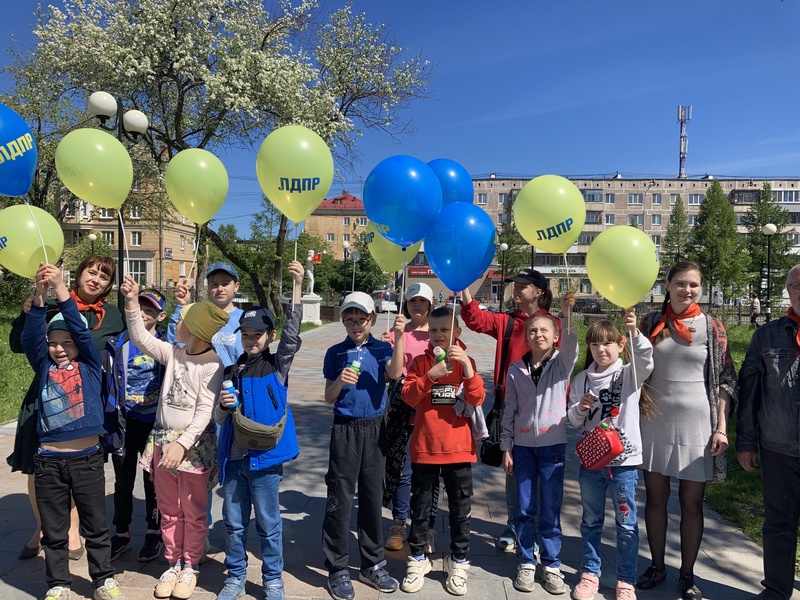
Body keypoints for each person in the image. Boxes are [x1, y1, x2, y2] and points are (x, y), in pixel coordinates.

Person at [21, 263, 127, 600]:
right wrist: (40, 294)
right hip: (49, 463)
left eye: (68, 341)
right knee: (54, 531)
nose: (60, 347)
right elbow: (31, 336)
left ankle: (103, 579)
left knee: (96, 526)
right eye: (54, 342)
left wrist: (62, 289)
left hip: (87, 462)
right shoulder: (44, 365)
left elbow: (81, 332)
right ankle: (58, 584)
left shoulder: (90, 365)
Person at [122, 275, 228, 600]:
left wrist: (182, 444)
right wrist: (130, 301)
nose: (176, 323)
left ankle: (191, 565)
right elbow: (140, 337)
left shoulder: (212, 364)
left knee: (193, 511)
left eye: (181, 320)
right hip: (161, 441)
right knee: (169, 509)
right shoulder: (173, 353)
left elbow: (203, 412)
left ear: (195, 330)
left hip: (193, 446)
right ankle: (172, 562)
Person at [637, 261, 737, 600]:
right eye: (681, 283)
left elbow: (725, 380)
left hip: (698, 425)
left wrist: (721, 428)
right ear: (667, 284)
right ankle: (657, 565)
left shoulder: (712, 326)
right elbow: (634, 366)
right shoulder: (652, 321)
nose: (687, 290)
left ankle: (688, 574)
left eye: (694, 284)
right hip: (654, 421)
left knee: (692, 503)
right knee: (655, 498)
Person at [214, 260, 304, 600]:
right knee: (234, 524)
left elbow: (293, 335)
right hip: (235, 460)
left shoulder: (277, 366)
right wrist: (223, 406)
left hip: (265, 459)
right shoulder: (231, 369)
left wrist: (296, 288)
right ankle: (235, 577)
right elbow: (221, 417)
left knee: (269, 524)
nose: (251, 340)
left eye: (258, 335)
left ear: (269, 336)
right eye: (246, 335)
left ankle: (272, 580)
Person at [460, 267, 557, 551]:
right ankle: (515, 524)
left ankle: (540, 528)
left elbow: (565, 360)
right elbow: (475, 319)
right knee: (513, 467)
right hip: (510, 405)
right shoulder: (509, 322)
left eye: (523, 285)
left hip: (545, 407)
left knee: (544, 470)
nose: (516, 290)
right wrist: (463, 284)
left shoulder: (554, 324)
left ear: (538, 292)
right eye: (515, 285)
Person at [322, 292, 404, 600]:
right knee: (339, 498)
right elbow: (328, 397)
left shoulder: (382, 348)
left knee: (372, 496)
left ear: (371, 319)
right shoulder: (335, 352)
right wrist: (340, 382)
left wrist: (399, 338)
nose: (356, 325)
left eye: (362, 319)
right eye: (350, 319)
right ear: (343, 320)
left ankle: (372, 563)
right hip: (345, 429)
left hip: (375, 429)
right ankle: (337, 567)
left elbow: (395, 374)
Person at [567, 312, 654, 600]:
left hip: (624, 464)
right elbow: (574, 421)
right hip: (592, 464)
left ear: (619, 345)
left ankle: (625, 580)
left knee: (626, 524)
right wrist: (580, 407)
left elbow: (646, 360)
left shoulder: (629, 374)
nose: (601, 350)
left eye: (607, 344)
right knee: (591, 520)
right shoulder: (582, 379)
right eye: (594, 345)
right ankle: (590, 572)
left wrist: (635, 333)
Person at [399, 306, 485, 596]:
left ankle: (459, 561)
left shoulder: (465, 362)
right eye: (433, 330)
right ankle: (418, 558)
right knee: (420, 509)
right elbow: (409, 397)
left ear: (457, 334)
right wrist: (430, 376)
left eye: (444, 330)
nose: (438, 335)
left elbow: (476, 398)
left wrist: (470, 370)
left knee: (461, 511)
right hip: (425, 448)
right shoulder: (422, 363)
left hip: (459, 450)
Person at [501, 292, 578, 595]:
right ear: (527, 338)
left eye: (545, 330)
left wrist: (567, 315)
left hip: (552, 445)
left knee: (549, 507)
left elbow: (572, 346)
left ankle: (552, 564)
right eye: (533, 330)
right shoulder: (516, 370)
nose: (538, 334)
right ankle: (525, 560)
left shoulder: (560, 366)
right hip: (522, 447)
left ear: (555, 336)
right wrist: (506, 447)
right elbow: (509, 410)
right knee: (523, 506)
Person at [737, 264, 800, 600]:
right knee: (778, 523)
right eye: (799, 285)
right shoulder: (767, 335)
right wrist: (746, 442)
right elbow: (750, 392)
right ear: (788, 290)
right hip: (779, 446)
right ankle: (776, 590)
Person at [105, 288, 168, 563]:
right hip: (123, 422)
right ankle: (121, 531)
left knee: (153, 480)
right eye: (138, 307)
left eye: (150, 310)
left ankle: (154, 532)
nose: (143, 314)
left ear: (160, 316)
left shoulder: (166, 344)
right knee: (123, 478)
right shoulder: (117, 343)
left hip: (153, 423)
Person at [382, 283, 438, 554]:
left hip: (431, 409)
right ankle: (398, 521)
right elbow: (391, 369)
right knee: (402, 469)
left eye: (422, 301)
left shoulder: (439, 335)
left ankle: (426, 525)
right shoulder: (397, 333)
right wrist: (394, 337)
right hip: (403, 406)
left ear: (430, 305)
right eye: (412, 300)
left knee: (428, 472)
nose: (417, 305)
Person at [169, 261, 243, 367]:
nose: (220, 289)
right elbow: (175, 343)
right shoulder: (196, 316)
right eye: (214, 284)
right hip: (199, 379)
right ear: (208, 287)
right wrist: (181, 306)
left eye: (225, 284)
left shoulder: (245, 319)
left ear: (236, 286)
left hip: (231, 382)